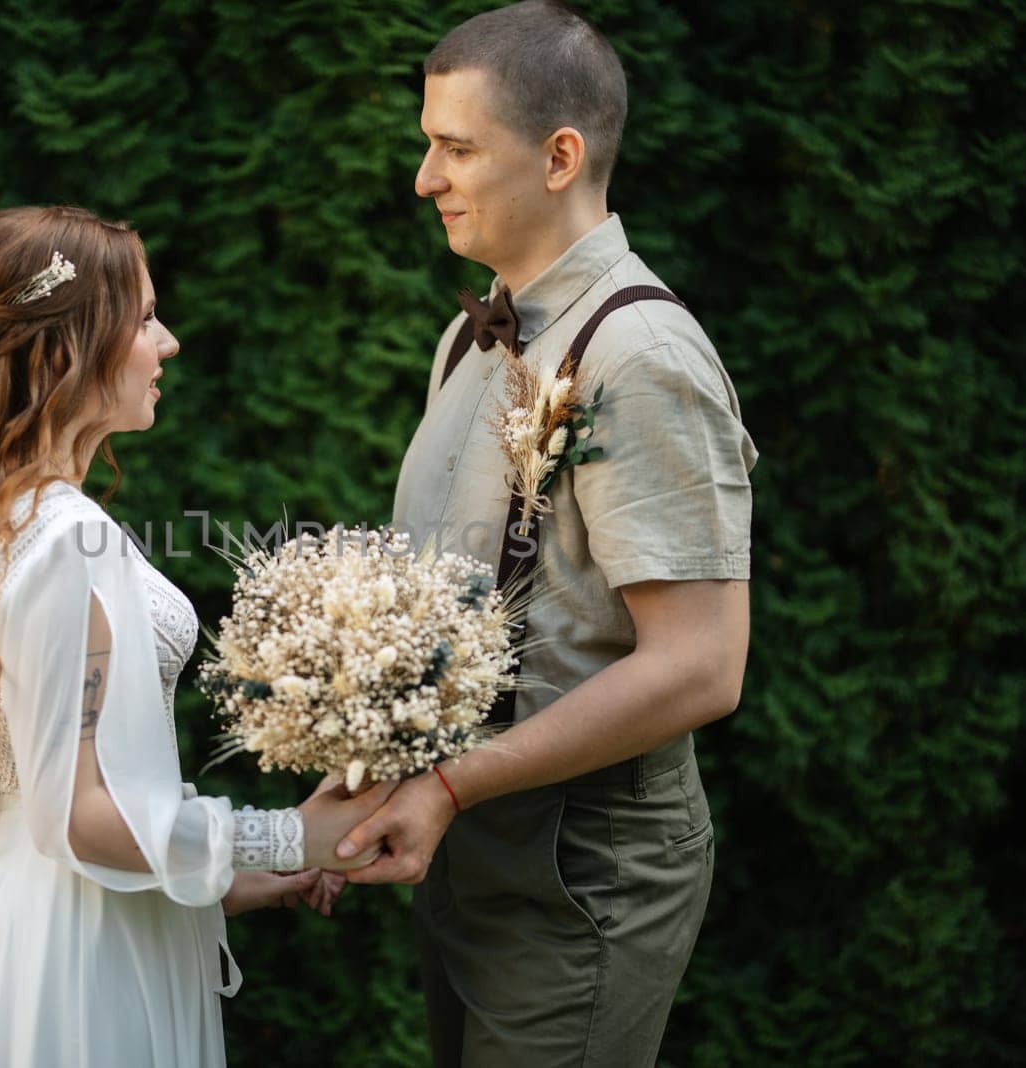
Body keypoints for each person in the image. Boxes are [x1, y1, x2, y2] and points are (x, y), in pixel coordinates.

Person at [0, 205, 388, 1067]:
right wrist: (293, 836)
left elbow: (75, 803)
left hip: (48, 912)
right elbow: (84, 818)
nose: (166, 342)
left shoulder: (7, 521)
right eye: (142, 320)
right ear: (66, 352)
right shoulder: (61, 537)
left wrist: (248, 877)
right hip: (77, 952)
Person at [334, 3, 758, 1066]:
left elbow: (699, 668)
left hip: (584, 871)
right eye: (427, 144)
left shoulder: (642, 354)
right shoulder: (469, 335)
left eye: (456, 147)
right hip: (472, 843)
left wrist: (446, 786)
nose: (424, 178)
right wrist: (374, 766)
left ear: (560, 155)